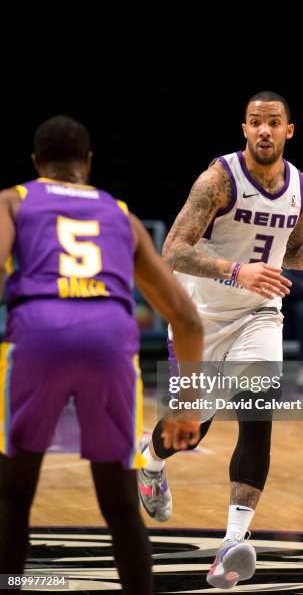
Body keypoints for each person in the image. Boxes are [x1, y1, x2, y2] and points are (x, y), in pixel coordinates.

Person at [138, 91, 303, 590]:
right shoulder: (218, 179)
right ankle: (149, 462)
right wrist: (236, 271)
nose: (265, 131)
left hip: (260, 312)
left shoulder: (302, 187)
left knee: (258, 416)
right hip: (200, 315)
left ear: (289, 130)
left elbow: (292, 252)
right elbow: (172, 250)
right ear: (245, 129)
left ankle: (232, 544)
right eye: (256, 122)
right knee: (194, 428)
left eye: (274, 122)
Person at [0, 115, 203, 594]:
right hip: (110, 337)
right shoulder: (121, 213)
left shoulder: (14, 199)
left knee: (13, 495)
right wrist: (187, 406)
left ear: (35, 163)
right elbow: (188, 319)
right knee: (116, 502)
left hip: (38, 331)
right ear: (87, 163)